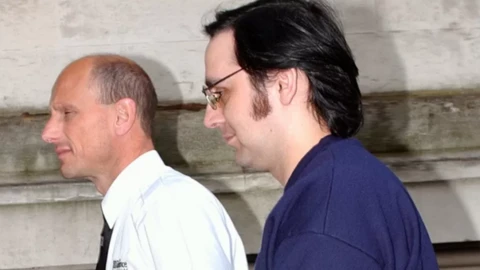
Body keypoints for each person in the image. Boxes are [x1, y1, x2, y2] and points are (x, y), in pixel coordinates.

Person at [201, 0, 439, 269]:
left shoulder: (325, 222)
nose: (210, 119)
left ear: (283, 84)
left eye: (219, 94)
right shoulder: (346, 183)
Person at [42, 54, 248, 270]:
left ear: (122, 116)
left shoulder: (172, 206)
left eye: (67, 113)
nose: (48, 133)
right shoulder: (143, 208)